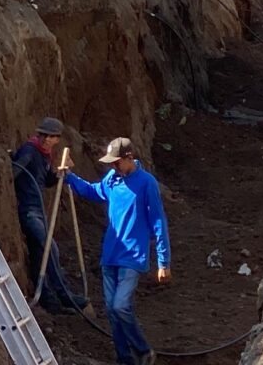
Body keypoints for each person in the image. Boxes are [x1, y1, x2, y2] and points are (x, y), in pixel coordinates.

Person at [63, 138, 170, 365]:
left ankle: (143, 350)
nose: (113, 167)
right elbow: (93, 191)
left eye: (117, 162)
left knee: (121, 305)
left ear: (129, 158)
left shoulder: (146, 183)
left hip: (133, 257)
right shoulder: (112, 180)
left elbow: (159, 221)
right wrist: (70, 177)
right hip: (110, 255)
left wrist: (163, 262)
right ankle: (125, 358)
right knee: (112, 311)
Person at [11, 117, 89, 314]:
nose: (48, 140)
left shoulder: (45, 155)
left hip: (38, 211)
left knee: (40, 254)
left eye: (52, 137)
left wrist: (59, 174)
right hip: (28, 211)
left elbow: (45, 182)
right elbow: (13, 172)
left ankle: (48, 300)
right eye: (45, 136)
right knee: (50, 248)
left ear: (57, 139)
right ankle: (65, 296)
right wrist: (11, 161)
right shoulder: (29, 151)